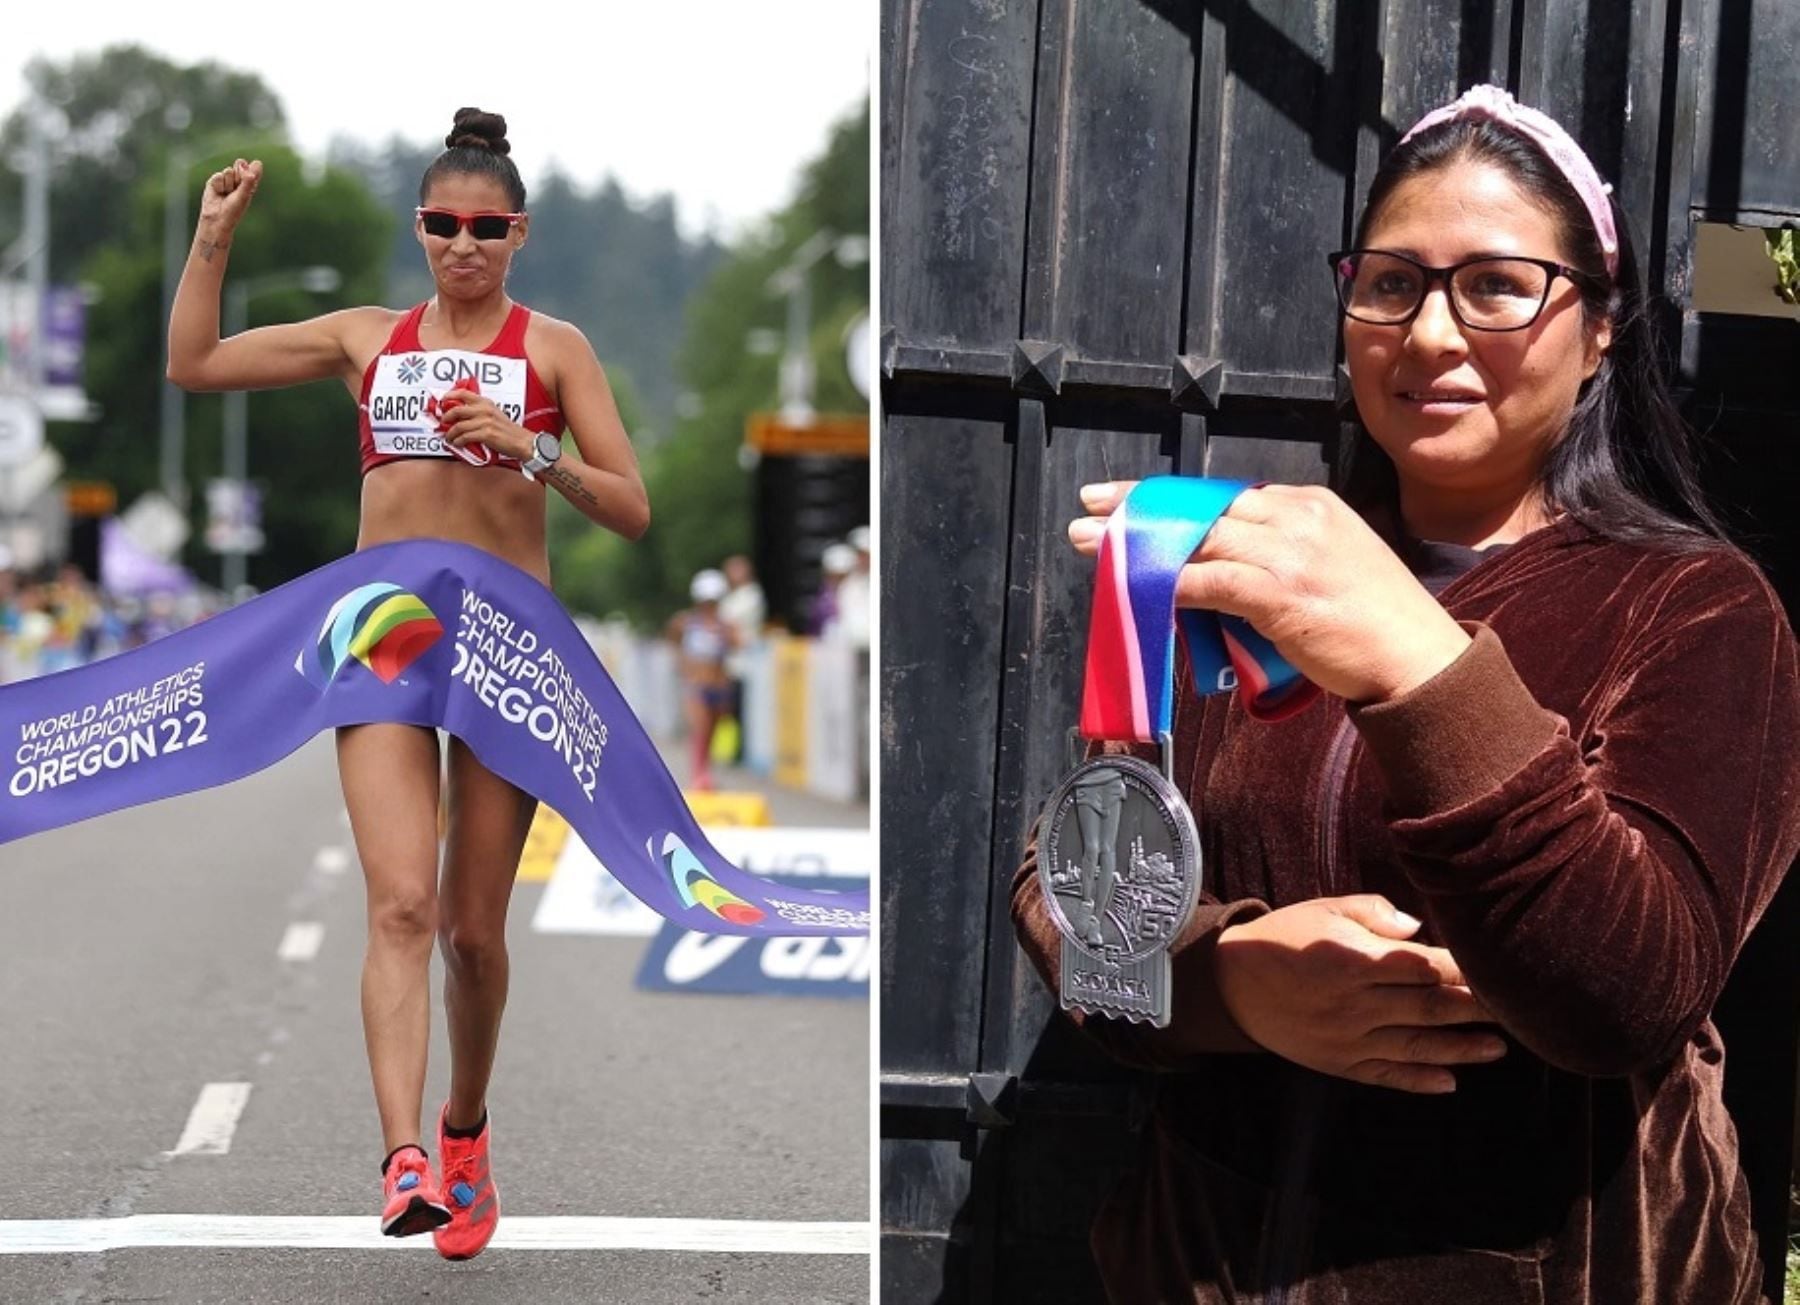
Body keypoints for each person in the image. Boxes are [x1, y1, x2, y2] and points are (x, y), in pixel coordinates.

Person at [1014, 85, 1800, 1303]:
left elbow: (1629, 996)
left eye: (1495, 285)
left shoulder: (1696, 607)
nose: (1430, 334)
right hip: (1208, 1263)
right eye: (1391, 284)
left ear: (1596, 330)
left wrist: (1412, 662)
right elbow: (1068, 885)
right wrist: (1229, 988)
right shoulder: (1242, 564)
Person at [167, 107, 649, 1259]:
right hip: (385, 637)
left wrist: (526, 446)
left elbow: (631, 509)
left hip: (504, 647)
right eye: (443, 224)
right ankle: (402, 1163)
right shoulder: (364, 338)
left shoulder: (553, 349)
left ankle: (465, 1131)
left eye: (485, 226)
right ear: (422, 229)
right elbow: (195, 364)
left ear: (518, 232)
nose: (463, 244)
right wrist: (212, 240)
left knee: (473, 936)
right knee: (399, 906)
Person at [668, 568, 737, 792]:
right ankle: (698, 776)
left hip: (718, 685)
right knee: (700, 729)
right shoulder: (685, 622)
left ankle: (706, 772)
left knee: (712, 733)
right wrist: (683, 665)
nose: (710, 605)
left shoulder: (725, 626)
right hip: (696, 685)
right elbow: (673, 640)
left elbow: (739, 644)